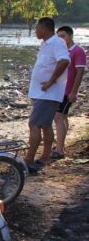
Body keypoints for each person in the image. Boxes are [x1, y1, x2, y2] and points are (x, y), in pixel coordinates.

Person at [25, 17, 70, 173]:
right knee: (45, 125)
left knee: (34, 124)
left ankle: (29, 160)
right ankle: (45, 157)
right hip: (42, 93)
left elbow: (64, 61)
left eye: (37, 28)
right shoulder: (45, 44)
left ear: (45, 28)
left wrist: (51, 82)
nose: (36, 31)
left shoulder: (57, 42)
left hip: (48, 93)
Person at [52, 26, 86, 159]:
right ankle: (61, 146)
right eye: (58, 36)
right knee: (63, 117)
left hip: (67, 91)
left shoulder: (78, 51)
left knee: (58, 117)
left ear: (70, 36)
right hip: (59, 90)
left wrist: (74, 92)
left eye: (63, 36)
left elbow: (80, 72)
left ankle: (59, 151)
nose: (60, 39)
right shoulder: (61, 50)